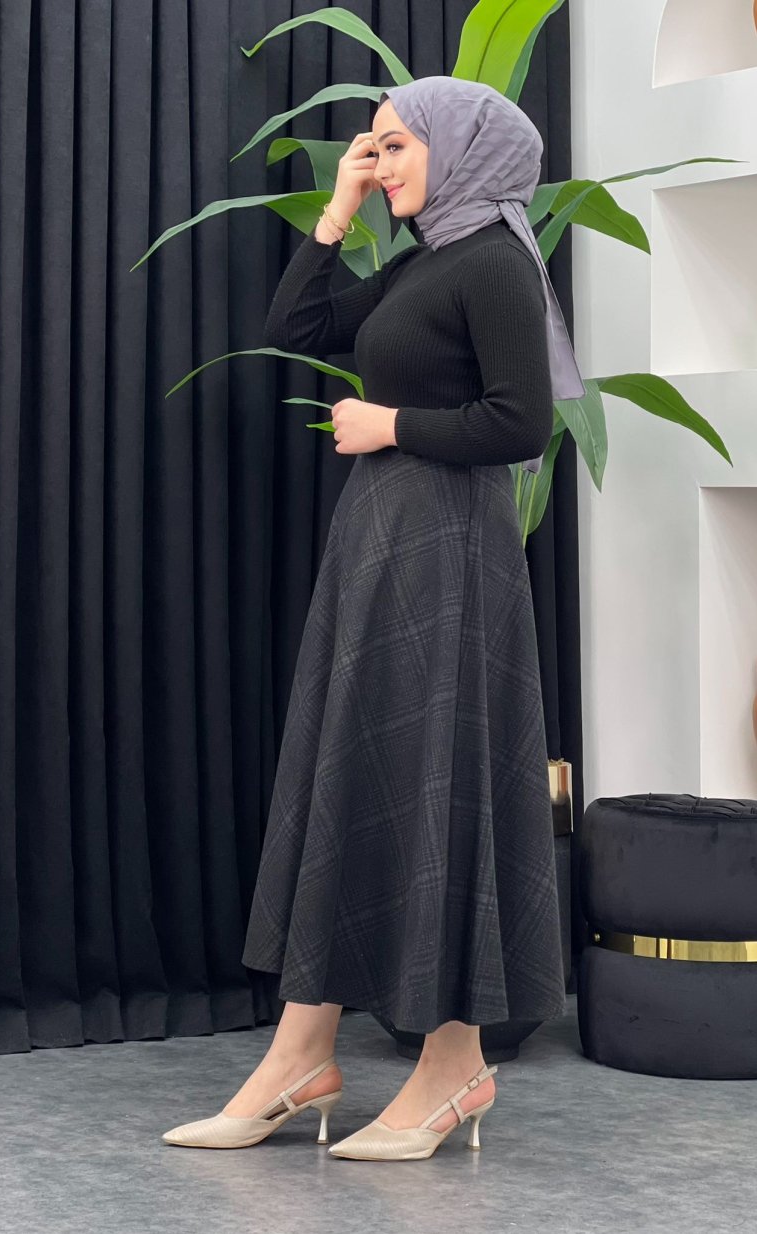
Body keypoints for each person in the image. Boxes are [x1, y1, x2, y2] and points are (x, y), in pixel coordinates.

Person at [161, 75, 583, 1163]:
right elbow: (296, 326)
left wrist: (390, 422)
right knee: (360, 771)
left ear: (462, 149)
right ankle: (301, 1053)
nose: (380, 160)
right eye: (374, 146)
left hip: (450, 548)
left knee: (432, 778)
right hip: (383, 541)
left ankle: (452, 1069)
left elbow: (521, 423)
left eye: (397, 146)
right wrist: (338, 211)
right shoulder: (424, 259)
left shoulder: (493, 260)